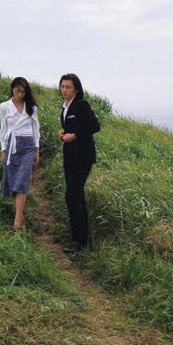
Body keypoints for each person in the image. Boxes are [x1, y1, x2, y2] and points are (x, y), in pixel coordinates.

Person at [58, 73, 100, 260]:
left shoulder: (81, 105)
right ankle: (79, 242)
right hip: (71, 158)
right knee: (75, 198)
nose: (64, 89)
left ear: (76, 89)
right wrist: (64, 132)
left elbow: (94, 125)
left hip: (82, 158)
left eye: (68, 87)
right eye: (62, 86)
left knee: (73, 197)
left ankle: (83, 245)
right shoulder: (66, 107)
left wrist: (73, 135)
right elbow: (75, 127)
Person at [0, 77, 40, 231]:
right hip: (12, 147)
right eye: (17, 90)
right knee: (14, 183)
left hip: (28, 147)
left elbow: (36, 130)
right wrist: (4, 151)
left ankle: (16, 224)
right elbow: (3, 130)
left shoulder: (31, 107)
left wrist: (37, 150)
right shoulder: (4, 107)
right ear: (12, 89)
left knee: (22, 181)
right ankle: (21, 217)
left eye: (23, 91)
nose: (20, 94)